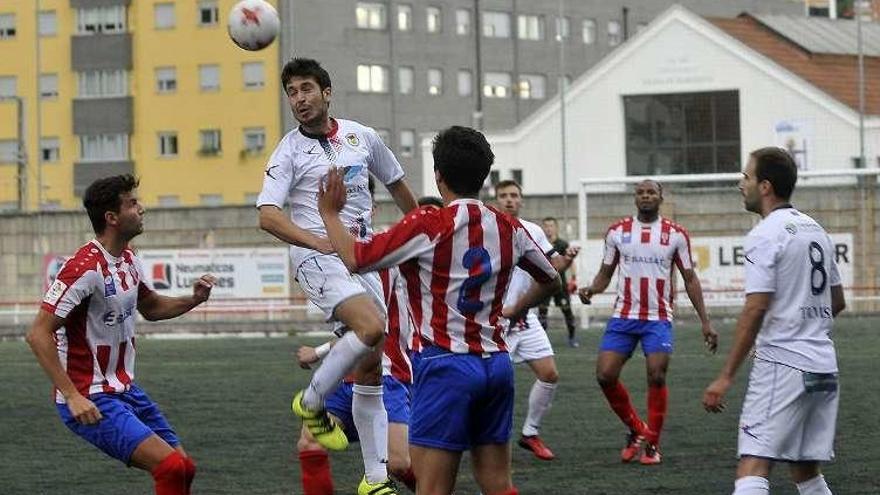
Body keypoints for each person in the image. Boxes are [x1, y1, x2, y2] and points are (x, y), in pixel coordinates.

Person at [318, 126, 560, 495]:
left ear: (438, 176)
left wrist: (330, 214)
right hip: (496, 365)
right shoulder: (509, 226)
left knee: (432, 488)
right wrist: (512, 310)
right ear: (484, 177)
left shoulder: (429, 224)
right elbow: (551, 279)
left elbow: (355, 258)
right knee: (498, 483)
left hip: (445, 366)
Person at [257, 57, 417, 494]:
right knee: (372, 327)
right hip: (316, 257)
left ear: (326, 92)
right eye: (292, 92)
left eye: (306, 89)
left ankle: (376, 480)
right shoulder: (288, 150)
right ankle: (310, 401)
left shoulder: (361, 136)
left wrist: (425, 234)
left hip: (360, 257)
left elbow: (398, 184)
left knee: (371, 366)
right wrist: (316, 242)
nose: (299, 99)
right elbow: (267, 216)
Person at [26, 175, 214, 495]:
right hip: (92, 396)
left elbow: (151, 307)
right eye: (133, 203)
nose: (142, 208)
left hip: (126, 390)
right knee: (170, 468)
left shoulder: (128, 259)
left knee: (184, 469)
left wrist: (193, 299)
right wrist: (73, 396)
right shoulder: (83, 268)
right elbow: (38, 334)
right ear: (111, 218)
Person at [703, 148, 845, 495]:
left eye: (746, 177)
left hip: (785, 363)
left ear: (765, 186)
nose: (741, 184)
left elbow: (755, 308)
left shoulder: (765, 234)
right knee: (805, 469)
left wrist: (724, 377)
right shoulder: (815, 229)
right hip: (823, 365)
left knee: (754, 461)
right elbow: (837, 301)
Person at [293, 196, 443, 495]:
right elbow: (357, 326)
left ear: (371, 209)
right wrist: (322, 352)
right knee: (309, 442)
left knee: (399, 463)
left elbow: (384, 324)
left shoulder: (399, 255)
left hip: (386, 373)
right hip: (346, 374)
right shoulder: (332, 259)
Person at [579, 179, 718, 465]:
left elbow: (690, 279)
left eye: (651, 192)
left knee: (656, 374)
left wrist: (706, 321)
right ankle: (636, 429)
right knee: (605, 375)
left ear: (660, 197)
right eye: (640, 192)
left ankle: (652, 444)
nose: (645, 196)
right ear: (635, 198)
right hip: (624, 316)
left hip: (658, 318)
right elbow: (605, 273)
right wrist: (592, 290)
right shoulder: (617, 232)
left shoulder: (676, 235)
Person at [494, 181, 579, 461]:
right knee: (493, 387)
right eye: (504, 195)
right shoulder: (487, 229)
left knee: (549, 374)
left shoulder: (533, 231)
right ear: (496, 199)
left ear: (521, 200)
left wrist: (566, 260)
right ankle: (485, 442)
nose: (509, 200)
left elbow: (552, 270)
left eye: (514, 195)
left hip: (523, 317)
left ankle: (530, 433)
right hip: (495, 321)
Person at [538, 217, 580, 347]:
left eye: (551, 226)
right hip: (544, 283)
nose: (548, 228)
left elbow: (571, 261)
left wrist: (573, 279)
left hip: (560, 284)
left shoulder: (562, 244)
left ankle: (572, 338)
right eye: (546, 226)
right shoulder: (540, 243)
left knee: (567, 310)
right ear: (543, 228)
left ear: (556, 228)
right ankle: (541, 342)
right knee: (542, 313)